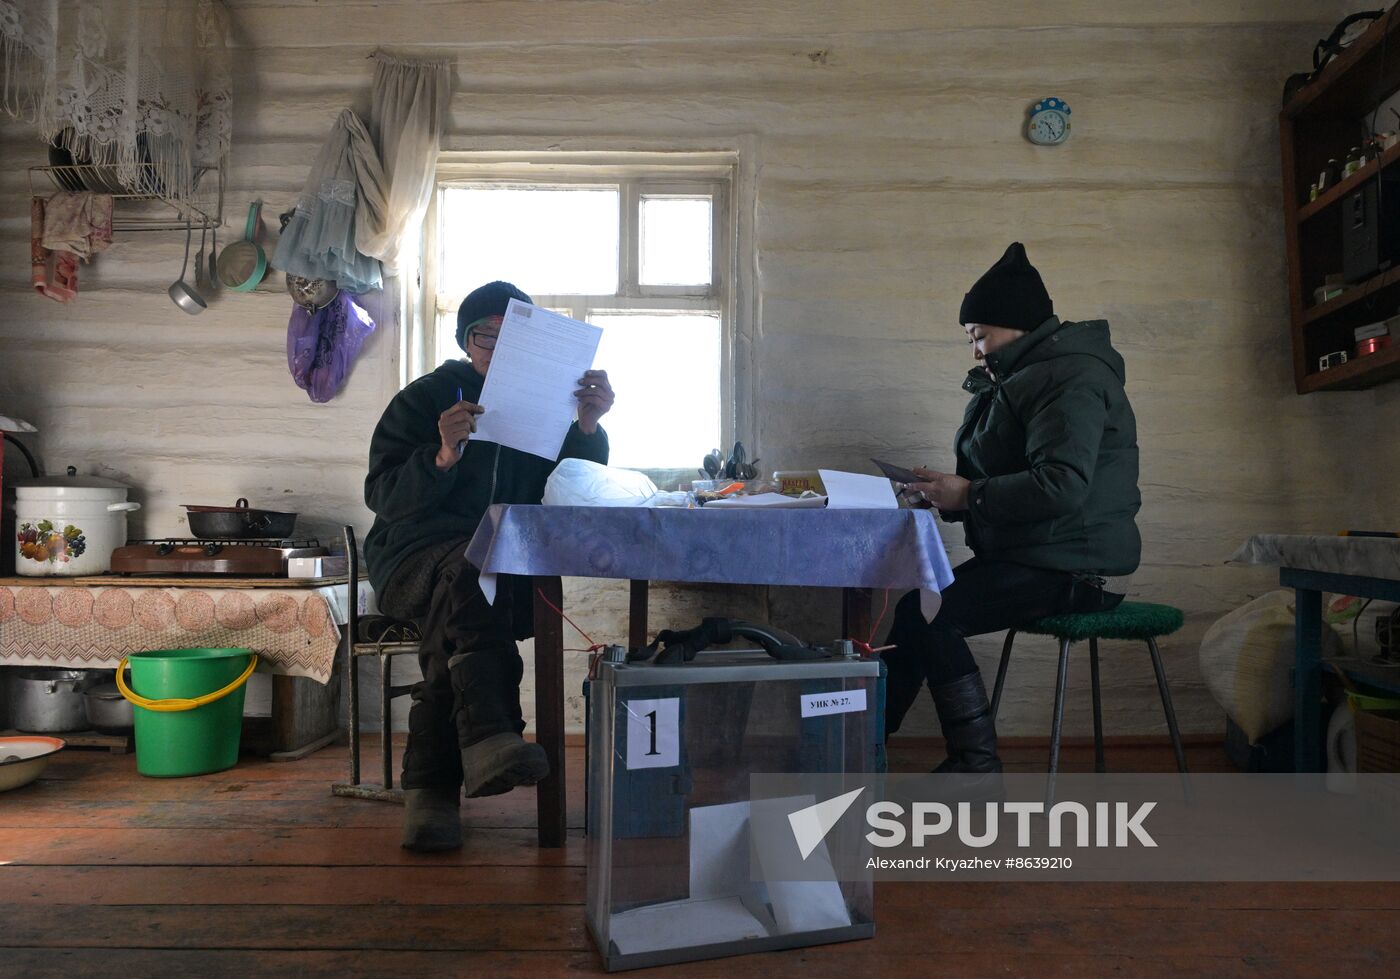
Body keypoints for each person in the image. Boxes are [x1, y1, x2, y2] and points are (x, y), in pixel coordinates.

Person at [363, 280, 615, 851]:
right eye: (485, 336)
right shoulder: (424, 399)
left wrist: (587, 426)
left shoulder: (551, 405)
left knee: (453, 632)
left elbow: (574, 488)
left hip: (507, 561)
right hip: (414, 555)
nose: (497, 351)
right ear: (465, 341)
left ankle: (431, 799)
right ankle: (491, 735)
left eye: (515, 341)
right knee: (467, 574)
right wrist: (442, 456)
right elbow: (383, 496)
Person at [883, 242, 1141, 790]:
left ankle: (974, 765)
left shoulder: (1070, 378)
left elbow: (1062, 485)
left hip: (1070, 565)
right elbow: (1006, 474)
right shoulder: (1027, 378)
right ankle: (862, 750)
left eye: (979, 335)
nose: (975, 350)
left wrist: (966, 495)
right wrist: (943, 494)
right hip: (1035, 554)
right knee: (916, 612)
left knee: (924, 614)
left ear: (1015, 325)